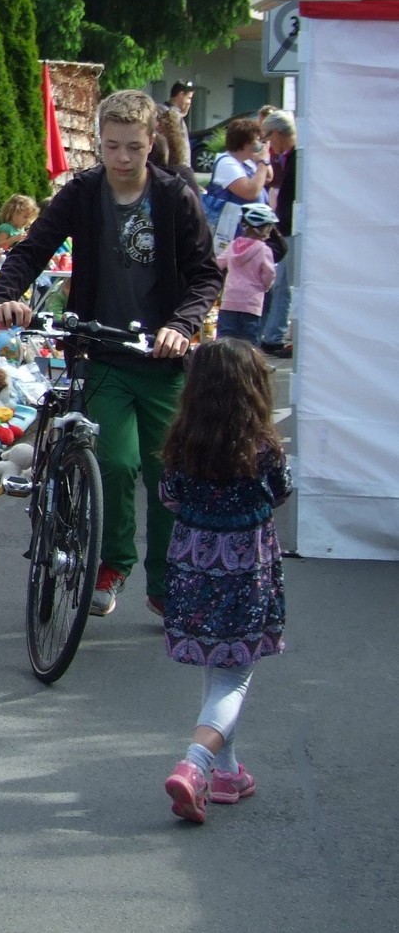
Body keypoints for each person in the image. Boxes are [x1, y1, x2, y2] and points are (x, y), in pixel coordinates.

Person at [0, 90, 222, 618]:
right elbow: (32, 249)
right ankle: (113, 562)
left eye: (133, 147)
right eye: (112, 146)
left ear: (152, 143)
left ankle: (166, 580)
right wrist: (7, 294)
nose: (122, 158)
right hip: (102, 354)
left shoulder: (174, 196)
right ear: (98, 142)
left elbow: (206, 274)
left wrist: (181, 325)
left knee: (168, 470)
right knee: (116, 462)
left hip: (161, 359)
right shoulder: (82, 192)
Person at [158, 340, 290, 824]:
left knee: (218, 668)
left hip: (193, 568)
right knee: (235, 675)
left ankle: (227, 772)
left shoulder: (182, 444)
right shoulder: (263, 448)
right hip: (244, 573)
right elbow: (279, 493)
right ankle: (195, 765)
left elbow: (170, 496)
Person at [258, 110, 297, 357]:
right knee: (282, 283)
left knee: (285, 284)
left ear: (278, 133)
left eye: (268, 137)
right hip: (288, 227)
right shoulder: (292, 156)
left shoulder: (297, 156)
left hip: (292, 228)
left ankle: (276, 335)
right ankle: (274, 334)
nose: (268, 144)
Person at [216, 204, 279, 344]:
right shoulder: (264, 250)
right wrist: (265, 288)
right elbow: (269, 275)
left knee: (225, 340)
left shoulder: (232, 246)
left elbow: (218, 264)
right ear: (262, 228)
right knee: (250, 342)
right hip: (252, 303)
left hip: (229, 300)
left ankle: (222, 359)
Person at [202, 117, 272, 235]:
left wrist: (263, 158)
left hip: (248, 230)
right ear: (245, 143)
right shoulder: (226, 163)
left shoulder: (247, 161)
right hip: (231, 232)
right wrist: (263, 162)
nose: (259, 144)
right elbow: (250, 192)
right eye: (257, 140)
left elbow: (268, 177)